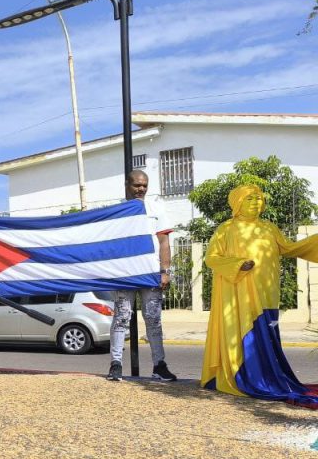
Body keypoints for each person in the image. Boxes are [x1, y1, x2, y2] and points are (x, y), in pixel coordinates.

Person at [201, 184, 318, 406]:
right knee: (246, 335)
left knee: (268, 336)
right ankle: (245, 376)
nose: (257, 203)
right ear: (237, 203)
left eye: (259, 199)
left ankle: (269, 376)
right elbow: (212, 258)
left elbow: (289, 248)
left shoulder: (269, 228)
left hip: (267, 293)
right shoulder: (226, 229)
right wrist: (237, 265)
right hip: (238, 295)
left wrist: (314, 241)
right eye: (250, 199)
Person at [106, 170, 178, 382]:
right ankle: (116, 364)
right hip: (125, 273)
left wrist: (165, 271)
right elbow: (109, 243)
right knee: (121, 317)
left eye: (145, 185)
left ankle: (159, 365)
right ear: (127, 184)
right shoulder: (117, 210)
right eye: (137, 185)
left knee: (153, 320)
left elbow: (164, 242)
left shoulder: (156, 208)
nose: (141, 189)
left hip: (150, 273)